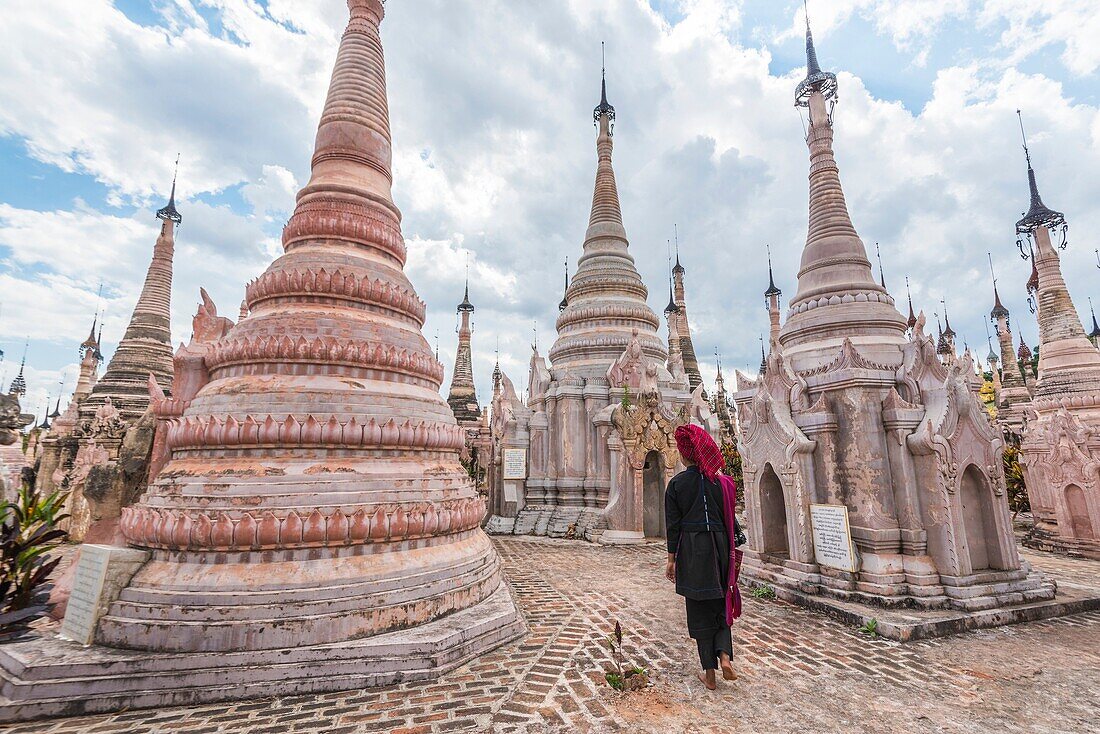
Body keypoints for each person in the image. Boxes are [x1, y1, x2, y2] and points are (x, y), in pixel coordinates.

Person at [665, 423, 743, 690]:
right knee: (721, 600)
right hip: (719, 546)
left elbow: (673, 526)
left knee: (698, 606)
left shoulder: (676, 484)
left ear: (684, 454)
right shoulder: (720, 484)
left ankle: (709, 674)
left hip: (692, 550)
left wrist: (671, 559)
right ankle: (724, 656)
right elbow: (729, 519)